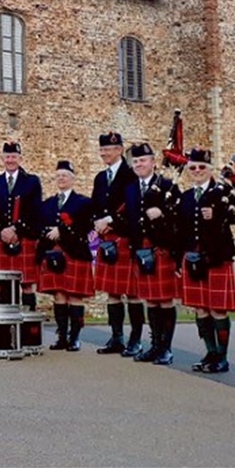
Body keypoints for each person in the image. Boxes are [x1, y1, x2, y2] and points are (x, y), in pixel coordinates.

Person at [176, 148, 235, 373]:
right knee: (200, 309)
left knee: (218, 309)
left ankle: (222, 357)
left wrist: (219, 213)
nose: (197, 171)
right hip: (192, 256)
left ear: (210, 169)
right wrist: (180, 260)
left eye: (202, 167)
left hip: (217, 255)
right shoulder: (185, 197)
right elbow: (180, 231)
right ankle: (210, 352)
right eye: (193, 167)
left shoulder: (223, 191)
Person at [123, 142, 180, 365]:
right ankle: (155, 345)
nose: (139, 164)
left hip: (162, 246)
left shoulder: (167, 185)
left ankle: (166, 348)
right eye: (135, 161)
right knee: (151, 301)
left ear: (153, 162)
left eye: (143, 160)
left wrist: (163, 212)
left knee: (165, 300)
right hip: (141, 248)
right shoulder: (130, 189)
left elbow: (179, 215)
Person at [90, 131, 144, 357]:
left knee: (132, 293)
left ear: (120, 150)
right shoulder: (100, 179)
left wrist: (110, 220)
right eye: (102, 150)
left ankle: (136, 339)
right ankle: (117, 337)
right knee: (112, 292)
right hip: (106, 240)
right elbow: (94, 205)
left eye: (109, 149)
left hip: (124, 238)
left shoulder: (131, 176)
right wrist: (96, 222)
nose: (105, 153)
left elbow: (134, 208)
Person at [37, 160, 95, 351]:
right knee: (59, 295)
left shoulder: (84, 202)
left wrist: (61, 231)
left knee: (75, 297)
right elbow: (40, 226)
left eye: (65, 175)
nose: (61, 178)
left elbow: (85, 226)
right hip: (54, 254)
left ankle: (75, 338)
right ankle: (62, 336)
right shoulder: (47, 204)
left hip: (75, 253)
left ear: (73, 179)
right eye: (59, 175)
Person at [0, 141, 43, 310]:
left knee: (27, 284)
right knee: (1, 283)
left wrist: (16, 229)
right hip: (0, 239)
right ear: (2, 158)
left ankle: (28, 324)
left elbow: (35, 210)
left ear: (20, 158)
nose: (10, 160)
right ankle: (4, 324)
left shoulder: (31, 182)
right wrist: (0, 230)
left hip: (23, 238)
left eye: (14, 156)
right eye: (7, 156)